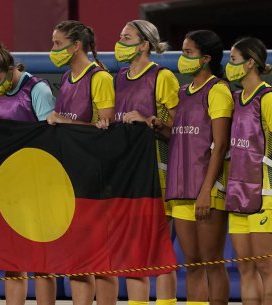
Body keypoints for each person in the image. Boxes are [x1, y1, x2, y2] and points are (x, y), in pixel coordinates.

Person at [0, 39, 56, 305]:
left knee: (42, 261)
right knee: (14, 261)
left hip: (39, 185)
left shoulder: (38, 90)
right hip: (10, 186)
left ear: (11, 68)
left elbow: (51, 138)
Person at [46, 20, 116, 305]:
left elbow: (107, 129)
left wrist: (62, 121)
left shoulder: (99, 78)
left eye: (58, 44)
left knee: (100, 261)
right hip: (68, 176)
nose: (53, 49)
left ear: (76, 46)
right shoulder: (65, 78)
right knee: (78, 261)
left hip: (95, 178)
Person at [113, 20, 179, 305]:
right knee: (133, 248)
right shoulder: (118, 77)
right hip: (127, 174)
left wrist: (150, 121)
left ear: (144, 45)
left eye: (126, 37)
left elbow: (180, 127)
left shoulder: (162, 77)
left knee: (160, 248)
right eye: (119, 36)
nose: (119, 42)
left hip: (158, 171)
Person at [166, 30, 232, 305]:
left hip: (208, 189)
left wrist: (206, 190)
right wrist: (161, 127)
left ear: (206, 59)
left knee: (212, 261)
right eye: (182, 51)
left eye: (188, 53)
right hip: (181, 188)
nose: (183, 58)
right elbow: (183, 136)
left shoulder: (218, 90)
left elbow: (220, 145)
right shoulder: (182, 92)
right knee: (191, 263)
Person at [226, 36, 272, 305]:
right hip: (237, 194)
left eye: (232, 60)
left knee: (267, 268)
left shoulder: (266, 98)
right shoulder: (234, 99)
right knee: (245, 269)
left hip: (265, 195)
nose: (228, 66)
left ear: (250, 62)